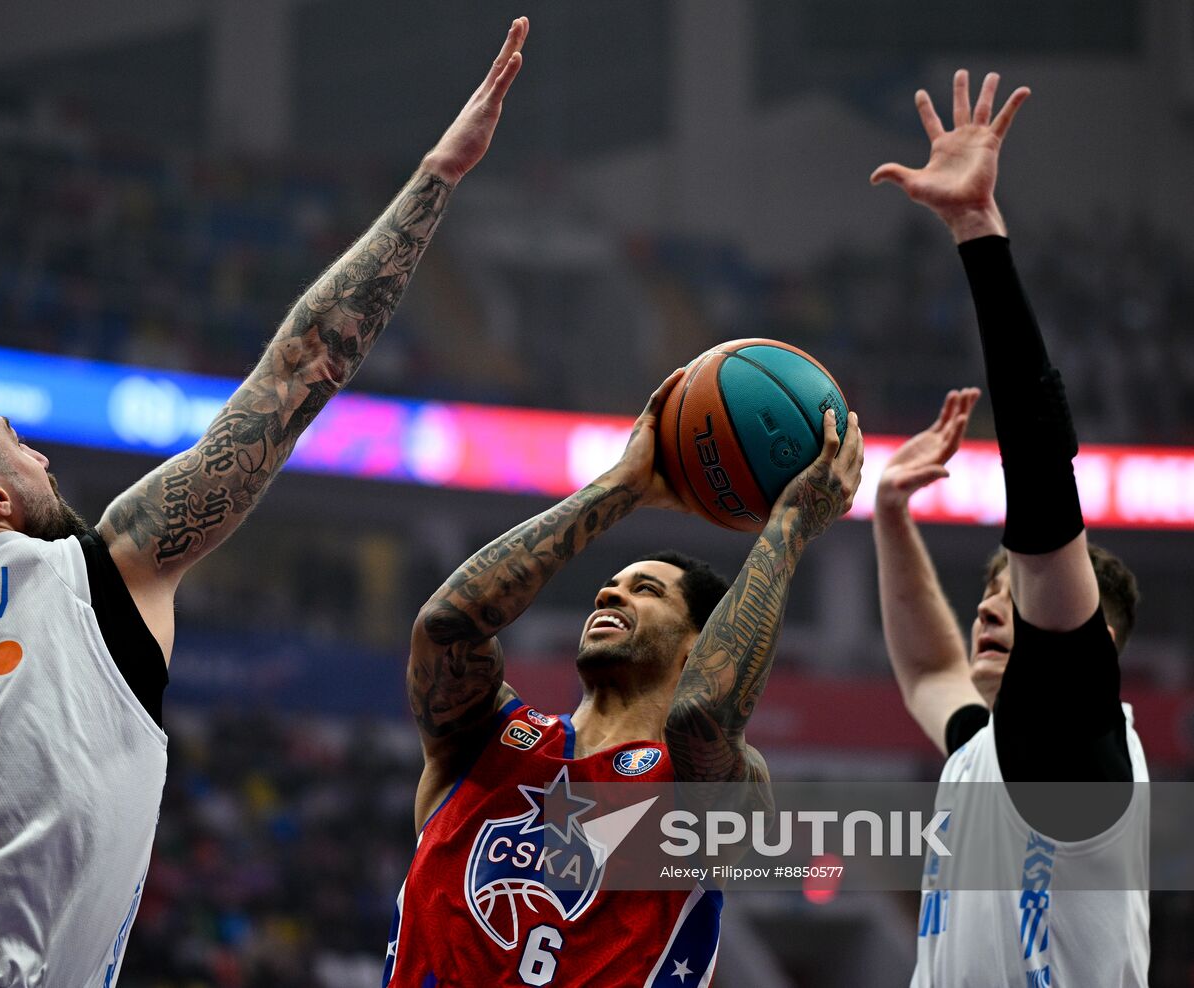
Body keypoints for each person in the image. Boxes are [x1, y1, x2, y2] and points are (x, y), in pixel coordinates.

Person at [0, 18, 529, 987]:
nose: (45, 455)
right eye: (21, 448)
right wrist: (436, 176)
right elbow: (303, 363)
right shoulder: (92, 575)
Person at [384, 369, 863, 986]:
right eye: (613, 585)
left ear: (699, 645)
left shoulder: (706, 783)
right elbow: (446, 625)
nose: (612, 590)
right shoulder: (485, 738)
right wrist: (619, 488)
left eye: (647, 590)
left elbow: (702, 715)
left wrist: (791, 524)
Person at [871, 70, 1149, 986]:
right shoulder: (990, 750)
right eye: (986, 599)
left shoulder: (1073, 742)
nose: (992, 611)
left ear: (1090, 642)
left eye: (1012, 598)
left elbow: (1041, 489)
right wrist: (892, 517)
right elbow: (925, 670)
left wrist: (977, 236)